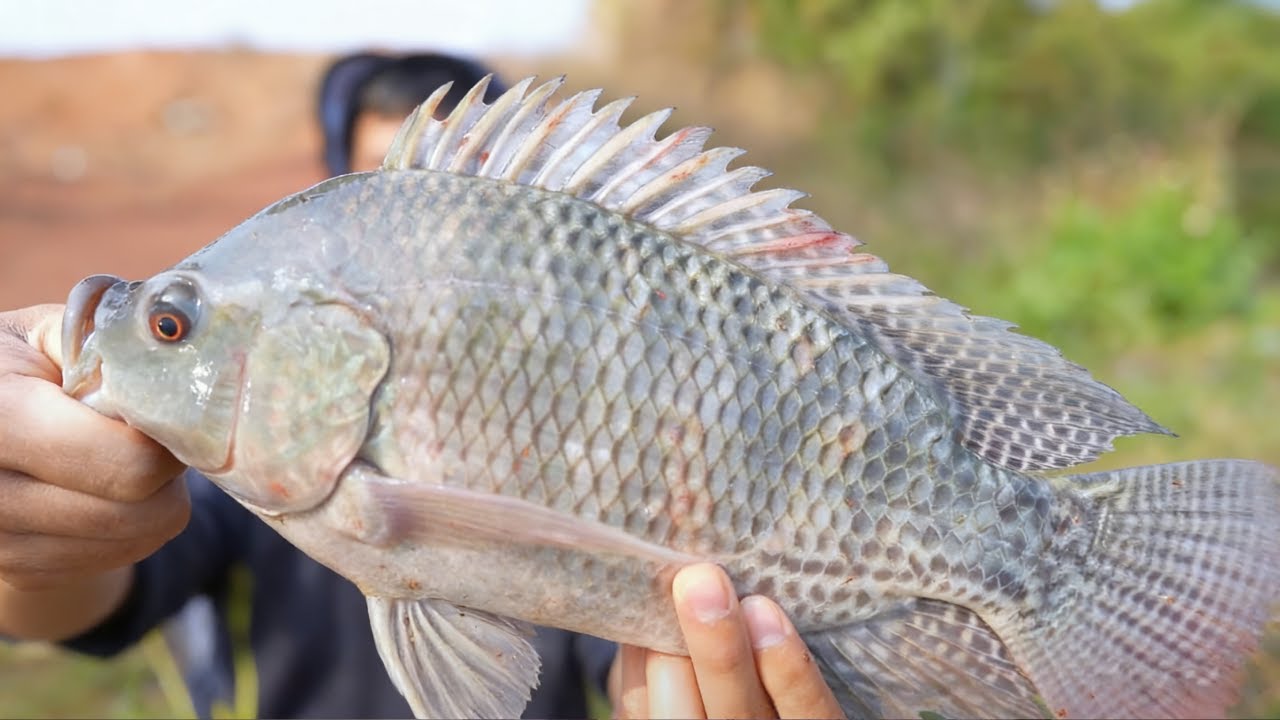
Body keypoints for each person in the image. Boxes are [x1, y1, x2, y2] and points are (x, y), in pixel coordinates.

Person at [0, 56, 844, 719]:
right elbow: (93, 597)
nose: (422, 217)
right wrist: (29, 532)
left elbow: (638, 621)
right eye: (385, 183)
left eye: (170, 325)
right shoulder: (228, 462)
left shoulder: (593, 386)